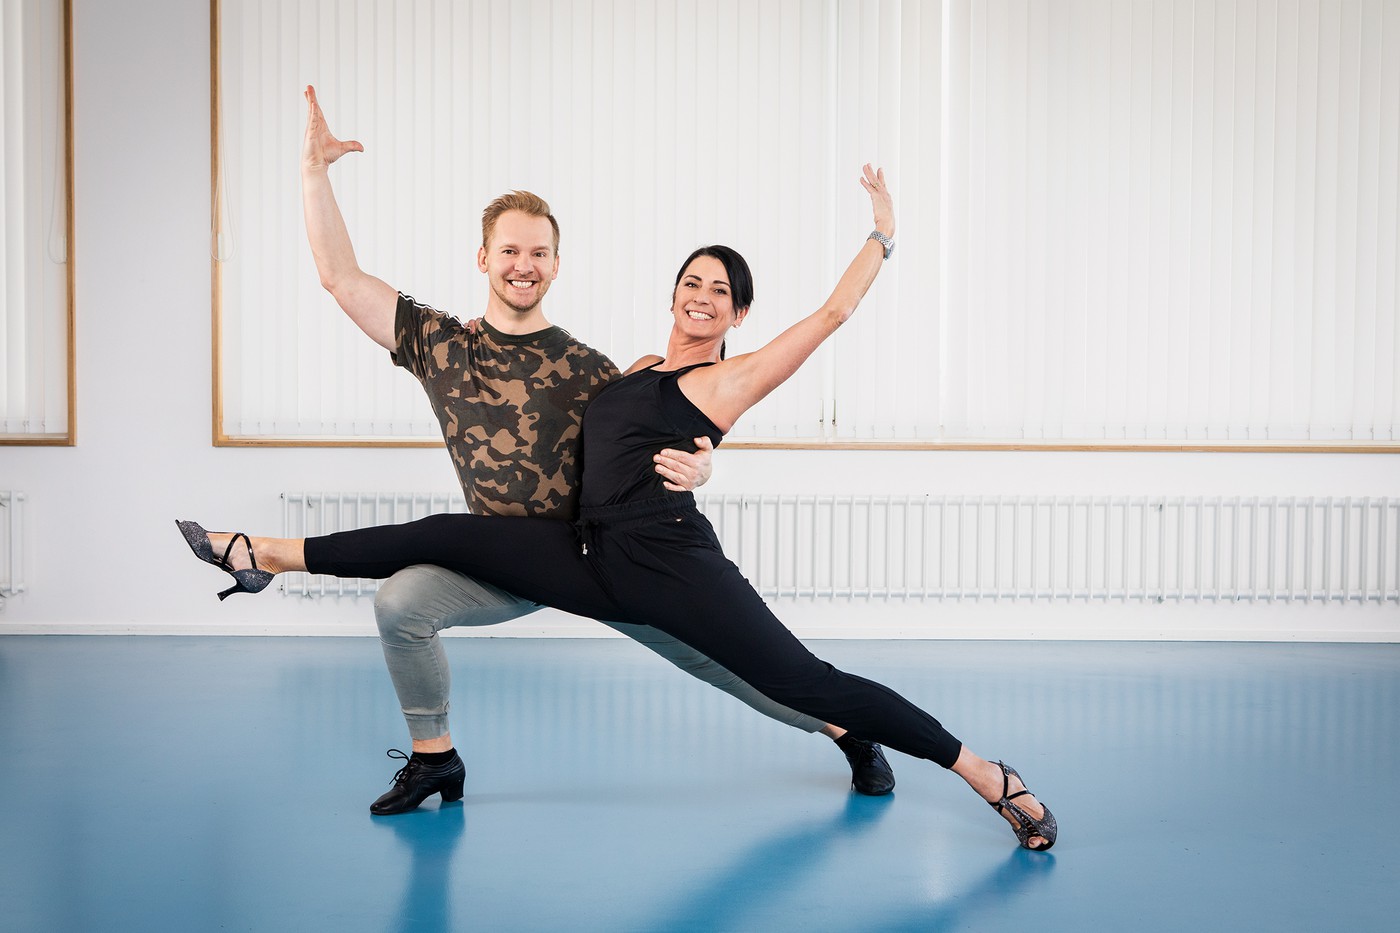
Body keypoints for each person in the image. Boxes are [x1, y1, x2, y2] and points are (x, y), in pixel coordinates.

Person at [179, 163, 1057, 850]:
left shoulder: (716, 376)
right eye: (694, 281)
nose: (703, 295)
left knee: (786, 677)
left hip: (667, 562)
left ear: (739, 313)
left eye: (722, 290)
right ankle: (260, 556)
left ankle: (979, 772)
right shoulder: (628, 369)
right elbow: (344, 279)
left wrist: (883, 236)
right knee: (438, 539)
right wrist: (312, 172)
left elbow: (827, 316)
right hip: (584, 554)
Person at [295, 86, 895, 815]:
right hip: (503, 560)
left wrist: (703, 466)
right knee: (400, 603)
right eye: (509, 250)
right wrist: (315, 175)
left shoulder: (591, 370)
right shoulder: (438, 344)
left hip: (597, 559)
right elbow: (340, 277)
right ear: (483, 257)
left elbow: (658, 435)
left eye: (538, 252)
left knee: (721, 661)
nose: (523, 263)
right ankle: (435, 761)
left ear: (555, 265)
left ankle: (848, 728)